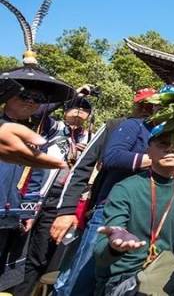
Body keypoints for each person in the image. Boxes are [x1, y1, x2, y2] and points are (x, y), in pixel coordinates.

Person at [53, 87, 157, 296]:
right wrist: (66, 210)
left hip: (143, 213)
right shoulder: (118, 125)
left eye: (153, 104)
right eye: (145, 104)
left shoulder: (167, 136)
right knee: (79, 272)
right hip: (106, 206)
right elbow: (83, 166)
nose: (148, 109)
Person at [94, 134, 174, 296]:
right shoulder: (126, 188)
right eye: (162, 143)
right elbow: (101, 256)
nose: (170, 148)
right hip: (124, 277)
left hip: (163, 270)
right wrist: (115, 247)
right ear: (148, 150)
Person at [11, 96, 95, 296]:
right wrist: (71, 95)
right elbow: (39, 111)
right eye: (74, 107)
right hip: (33, 192)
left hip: (59, 198)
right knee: (16, 241)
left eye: (84, 109)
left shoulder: (88, 136)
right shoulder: (52, 126)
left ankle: (23, 292)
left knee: (40, 252)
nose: (78, 112)